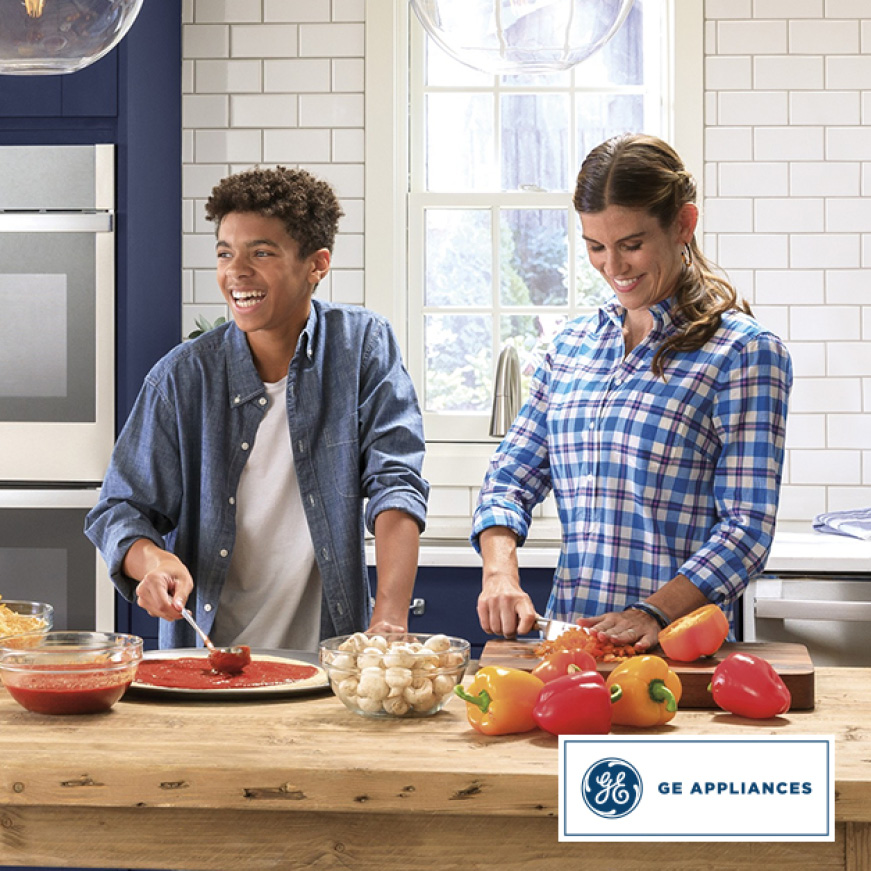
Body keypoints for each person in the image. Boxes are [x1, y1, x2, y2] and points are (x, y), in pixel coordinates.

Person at [471, 133, 792, 653]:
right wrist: (499, 572)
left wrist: (654, 612)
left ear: (683, 225)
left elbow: (746, 529)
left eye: (632, 244)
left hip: (677, 654)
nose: (613, 267)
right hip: (570, 650)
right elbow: (509, 478)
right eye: (596, 247)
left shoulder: (743, 354)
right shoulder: (572, 347)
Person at [86, 166, 428, 651]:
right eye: (225, 254)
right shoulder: (182, 377)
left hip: (325, 661)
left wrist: (389, 618)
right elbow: (121, 509)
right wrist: (152, 562)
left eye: (261, 253)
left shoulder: (362, 348)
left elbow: (395, 482)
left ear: (317, 264)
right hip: (205, 657)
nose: (236, 272)